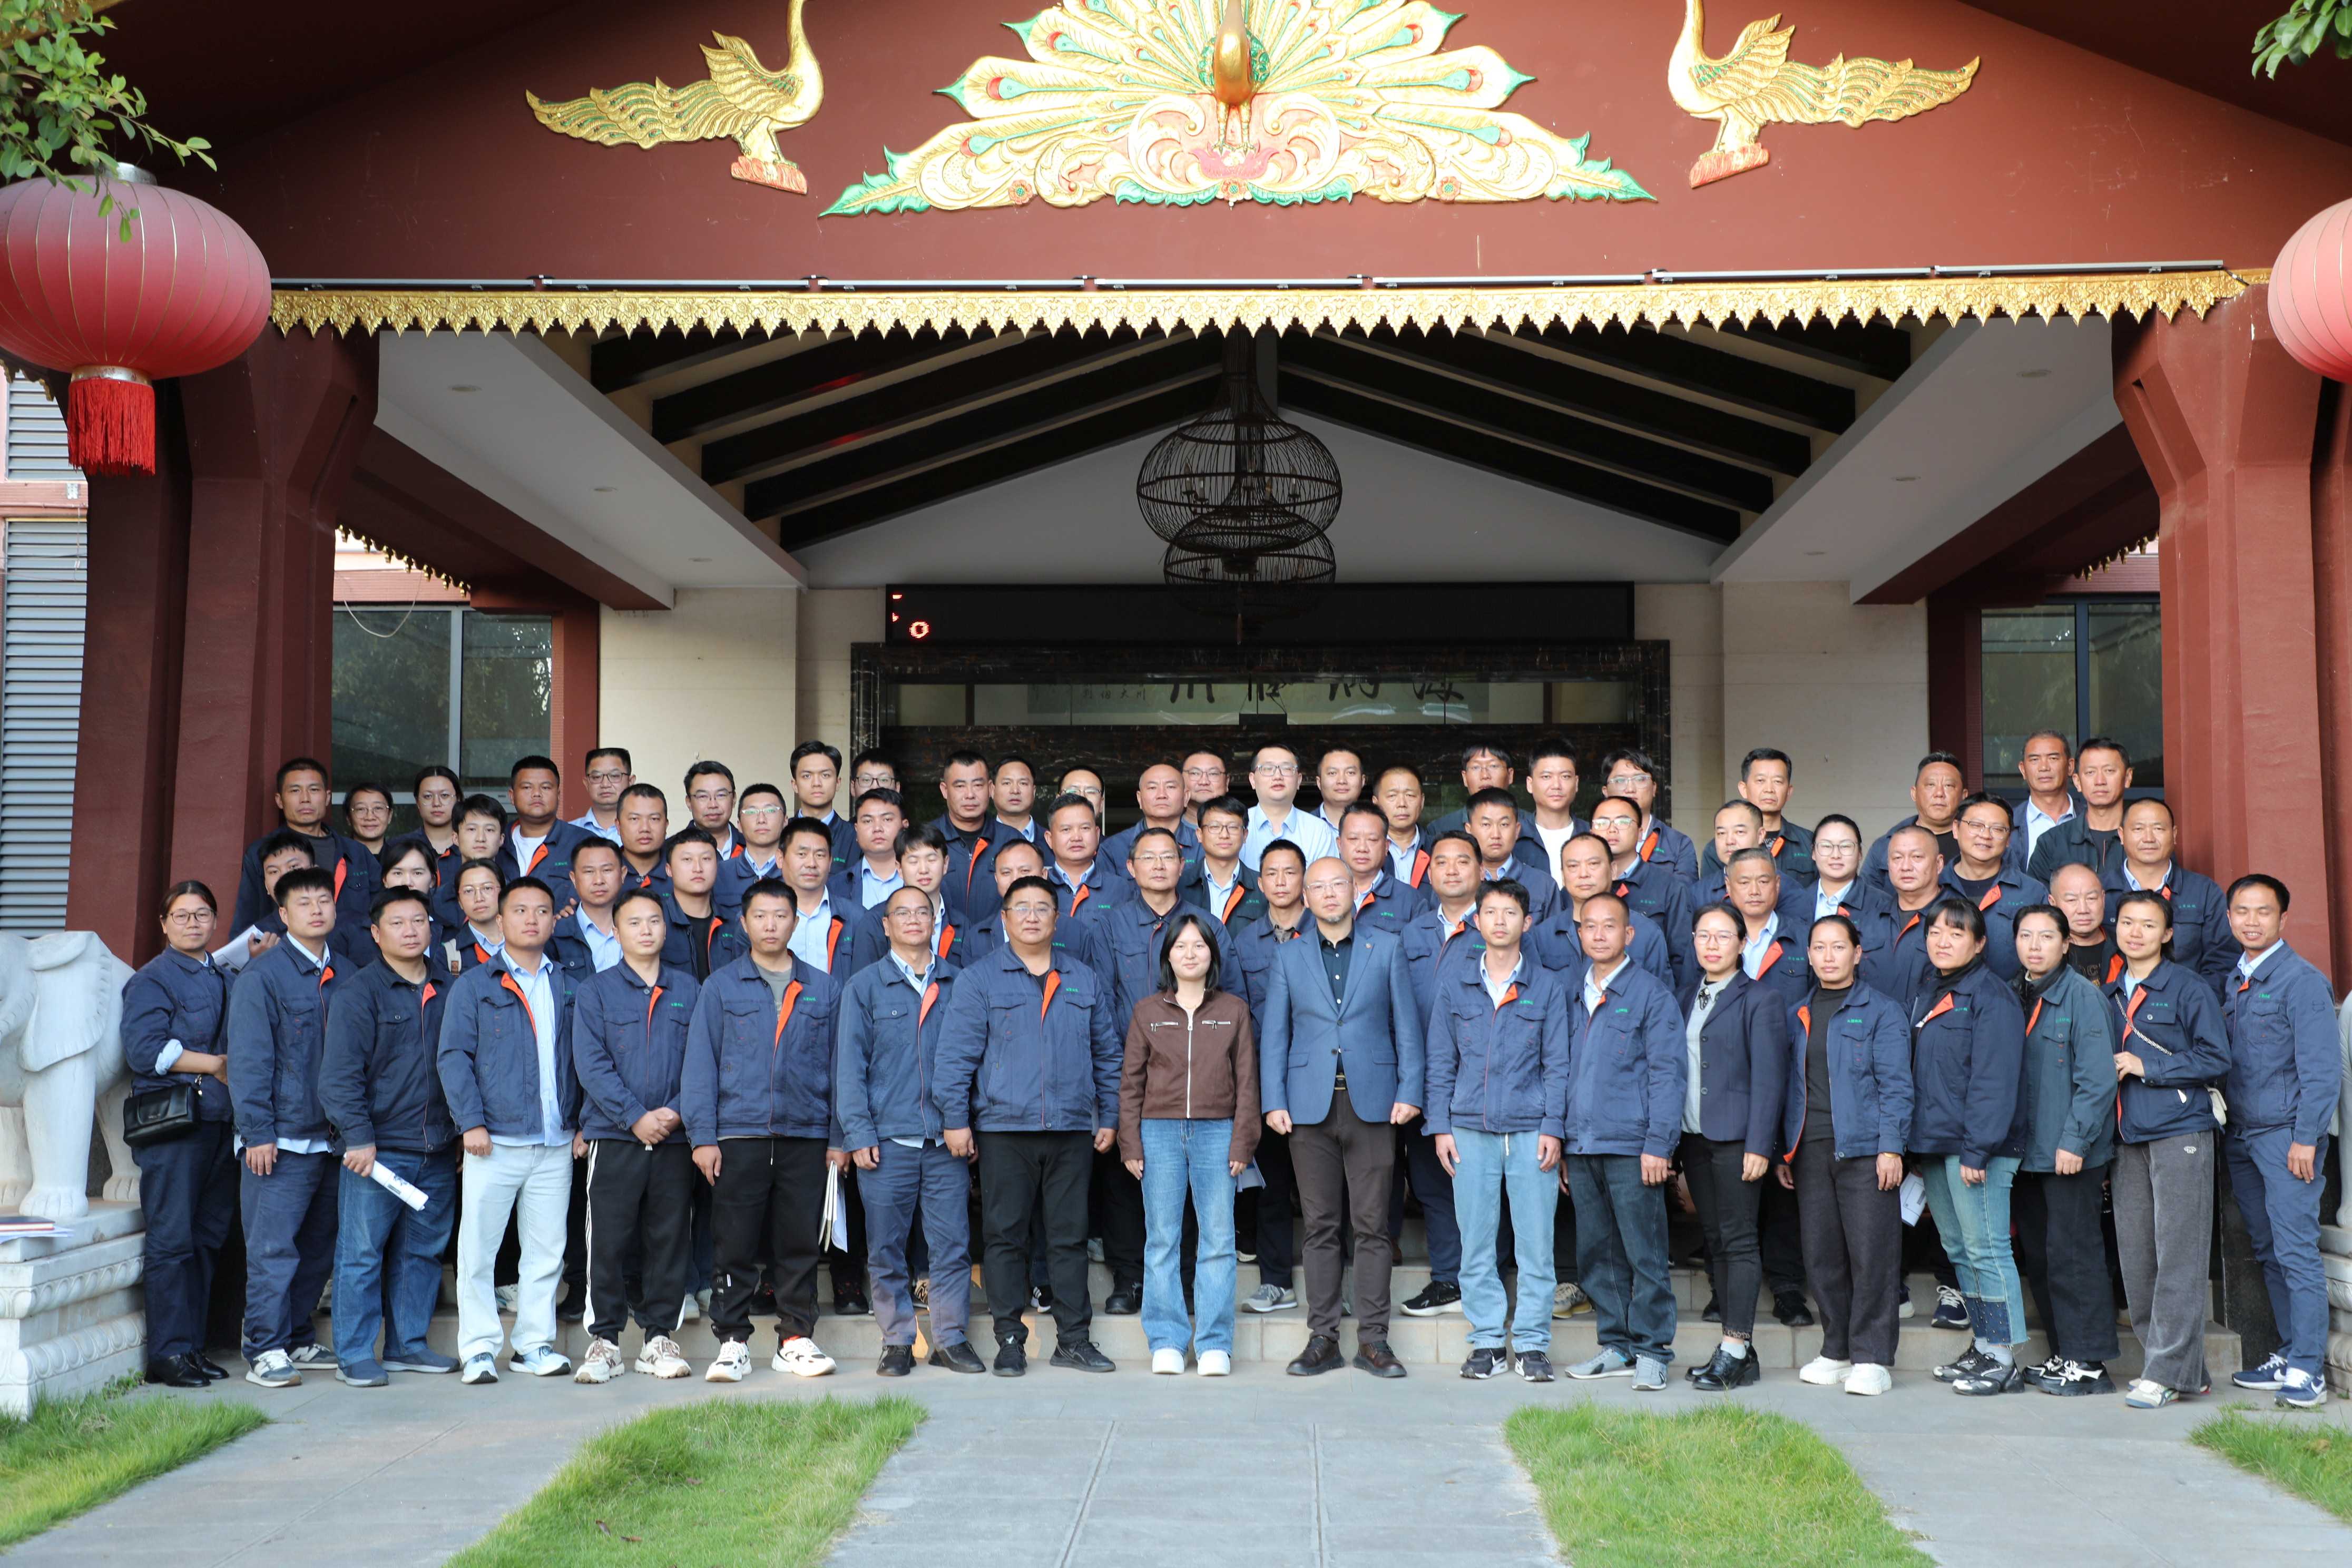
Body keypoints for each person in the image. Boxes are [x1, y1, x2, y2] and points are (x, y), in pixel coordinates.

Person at [934, 875, 1122, 1376]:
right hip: (1003, 1129)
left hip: (1071, 1129)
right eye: (1022, 908)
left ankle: (1073, 1340)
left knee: (1069, 1237)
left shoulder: (1083, 978)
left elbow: (1108, 1055)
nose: (1033, 916)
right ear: (1005, 919)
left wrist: (1110, 1116)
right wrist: (956, 1120)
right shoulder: (980, 979)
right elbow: (955, 1057)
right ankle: (1010, 1340)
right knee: (1005, 1237)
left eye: (1043, 908)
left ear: (1057, 920)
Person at [1260, 857, 1424, 1379]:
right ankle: (1323, 1339)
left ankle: (1374, 1340)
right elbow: (1275, 1034)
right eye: (1319, 886)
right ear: (1305, 897)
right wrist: (1273, 1100)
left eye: (1338, 884)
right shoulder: (1289, 956)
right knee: (1320, 1227)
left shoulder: (1387, 947)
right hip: (1308, 1108)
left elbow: (1407, 1026)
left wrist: (1410, 1090)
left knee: (1373, 1227)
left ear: (1355, 889)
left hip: (1373, 1103)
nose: (1329, 893)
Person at [682, 879, 843, 1381]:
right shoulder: (721, 987)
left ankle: (795, 1340)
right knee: (734, 1243)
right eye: (760, 916)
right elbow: (701, 1065)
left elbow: (840, 1068)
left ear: (795, 922)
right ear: (744, 923)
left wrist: (839, 1138)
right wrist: (703, 1137)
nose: (771, 925)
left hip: (806, 1134)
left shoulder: (825, 987)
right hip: (738, 1134)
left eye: (780, 916)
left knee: (798, 1244)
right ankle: (732, 1342)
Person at [1077, 825, 1232, 1315]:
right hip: (1128, 1070)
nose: (1160, 866)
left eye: (1169, 857)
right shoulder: (1110, 926)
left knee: (1190, 1188)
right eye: (1149, 857)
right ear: (1130, 867)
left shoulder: (1207, 926)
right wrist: (1114, 1065)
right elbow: (1100, 1001)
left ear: (1183, 865)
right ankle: (1130, 1279)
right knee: (1126, 1176)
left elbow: (1231, 1002)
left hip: (1196, 1078)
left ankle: (1185, 1281)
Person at [837, 887, 987, 1377]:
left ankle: (950, 1338)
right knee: (886, 1246)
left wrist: (967, 1121)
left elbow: (977, 1061)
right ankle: (898, 1339)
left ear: (935, 921)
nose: (914, 920)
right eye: (902, 913)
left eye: (923, 912)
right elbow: (849, 1067)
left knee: (952, 1245)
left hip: (946, 1141)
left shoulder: (960, 982)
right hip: (887, 1140)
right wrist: (858, 1132)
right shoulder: (864, 987)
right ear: (886, 925)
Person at [436, 876, 580, 1385]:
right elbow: (454, 1057)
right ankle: (478, 1349)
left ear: (552, 921)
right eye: (520, 911)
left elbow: (582, 1059)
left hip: (556, 1142)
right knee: (478, 1251)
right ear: (500, 921)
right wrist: (470, 1122)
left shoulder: (568, 984)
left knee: (546, 1252)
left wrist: (582, 1123)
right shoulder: (476, 985)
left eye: (541, 911)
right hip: (494, 1142)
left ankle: (534, 1345)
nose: (531, 919)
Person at [1426, 880, 1569, 1383]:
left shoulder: (1547, 986)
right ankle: (1487, 1341)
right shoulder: (1455, 984)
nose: (1501, 921)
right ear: (1478, 921)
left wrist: (1554, 1126)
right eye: (1491, 913)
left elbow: (1559, 1065)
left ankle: (1531, 1344)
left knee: (1536, 1245)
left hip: (1532, 1132)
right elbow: (1441, 1061)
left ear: (1527, 923)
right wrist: (1440, 1126)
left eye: (1511, 913)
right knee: (1476, 1243)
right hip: (1469, 1129)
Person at [318, 886, 460, 1387]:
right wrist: (358, 1136)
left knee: (422, 1253)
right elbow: (339, 1076)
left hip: (437, 1148)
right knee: (361, 1254)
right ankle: (355, 1353)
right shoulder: (359, 993)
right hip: (377, 1152)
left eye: (418, 921)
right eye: (397, 923)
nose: (410, 931)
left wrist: (460, 1132)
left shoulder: (448, 988)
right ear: (376, 934)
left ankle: (408, 1345)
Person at [2218, 874, 2342, 1410]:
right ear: (2229, 918)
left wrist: (2306, 1138)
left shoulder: (2302, 981)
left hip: (2287, 1139)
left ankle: (2309, 1368)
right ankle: (2290, 1352)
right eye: (2242, 911)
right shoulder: (2235, 979)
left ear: (2283, 919)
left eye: (2263, 912)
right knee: (2268, 1248)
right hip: (2243, 1136)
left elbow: (2322, 1070)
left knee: (2295, 1250)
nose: (2252, 921)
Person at [2103, 887, 2229, 1409]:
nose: (2136, 933)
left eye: (2148, 924)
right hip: (2128, 1136)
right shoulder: (2110, 992)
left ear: (2168, 934)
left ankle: (2163, 1372)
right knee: (2138, 1258)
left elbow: (2216, 1057)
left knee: (2179, 1255)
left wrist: (2148, 1067)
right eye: (2127, 923)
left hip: (2181, 1132)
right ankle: (2182, 1369)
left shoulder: (2187, 987)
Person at [568, 886, 700, 1385]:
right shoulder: (596, 991)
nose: (646, 930)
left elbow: (704, 1060)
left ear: (666, 929)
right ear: (616, 932)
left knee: (669, 1237)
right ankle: (604, 1341)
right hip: (615, 1136)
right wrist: (634, 1116)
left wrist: (676, 1111)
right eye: (634, 922)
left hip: (674, 1138)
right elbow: (591, 1064)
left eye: (654, 921)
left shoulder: (689, 989)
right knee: (608, 1239)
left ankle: (658, 1338)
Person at [1120, 912, 1258, 1377]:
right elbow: (1131, 1084)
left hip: (1218, 1131)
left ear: (1212, 956)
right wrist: (1130, 1143)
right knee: (1162, 1238)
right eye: (1181, 946)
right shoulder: (1147, 1012)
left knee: (1218, 1238)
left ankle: (1215, 1343)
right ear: (1168, 957)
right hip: (1158, 1132)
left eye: (1199, 946)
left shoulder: (1234, 1010)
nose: (1190, 954)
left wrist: (1243, 1141)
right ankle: (1166, 1340)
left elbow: (1248, 1083)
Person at [1781, 914, 1912, 1397]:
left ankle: (1872, 1357)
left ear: (1858, 954)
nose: (1829, 956)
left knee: (1872, 1255)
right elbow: (1791, 1088)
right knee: (1822, 1256)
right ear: (1809, 956)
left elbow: (1896, 1085)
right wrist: (1785, 1150)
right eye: (1819, 947)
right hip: (1811, 1149)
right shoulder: (1799, 1013)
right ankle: (1836, 1349)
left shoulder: (1881, 1011)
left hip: (1865, 1150)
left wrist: (1891, 1146)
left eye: (1839, 947)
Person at [1561, 893, 1686, 1390]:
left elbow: (1668, 1074)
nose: (1598, 935)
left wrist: (1660, 1144)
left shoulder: (1651, 995)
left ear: (1628, 934)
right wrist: (1563, 1140)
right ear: (1579, 934)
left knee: (1645, 1253)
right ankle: (1617, 1344)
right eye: (1589, 926)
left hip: (1634, 1146)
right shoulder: (1572, 992)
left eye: (1609, 926)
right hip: (1582, 1145)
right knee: (1598, 1253)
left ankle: (1654, 1350)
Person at [228, 864, 347, 1389]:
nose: (316, 910)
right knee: (273, 1250)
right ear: (282, 913)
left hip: (333, 1140)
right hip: (278, 1140)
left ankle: (297, 1337)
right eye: (304, 903)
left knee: (318, 1249)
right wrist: (257, 1132)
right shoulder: (263, 976)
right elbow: (249, 1059)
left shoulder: (346, 972)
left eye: (324, 900)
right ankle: (264, 1348)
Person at [1909, 898, 2031, 1396]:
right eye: (1935, 932)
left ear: (1980, 944)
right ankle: (1983, 1345)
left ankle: (2003, 1357)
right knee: (1960, 1248)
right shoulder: (1931, 990)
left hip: (1977, 1149)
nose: (1942, 941)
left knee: (1987, 1249)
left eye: (1956, 933)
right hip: (1937, 1144)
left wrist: (1979, 1149)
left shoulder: (1990, 995)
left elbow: (1994, 1081)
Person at [124, 882, 237, 1388]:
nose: (193, 923)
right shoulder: (151, 980)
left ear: (215, 921)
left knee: (207, 1239)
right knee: (172, 1240)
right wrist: (214, 1064)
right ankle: (167, 1355)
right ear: (164, 924)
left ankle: (192, 1348)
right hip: (174, 1127)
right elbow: (144, 1050)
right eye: (182, 915)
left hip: (219, 1122)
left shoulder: (226, 976)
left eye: (202, 914)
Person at [2006, 905, 2121, 1397]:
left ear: (2066, 944)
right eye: (2026, 936)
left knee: (2075, 1256)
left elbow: (2097, 1080)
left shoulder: (2082, 996)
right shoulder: (2014, 993)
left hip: (2070, 1154)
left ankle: (2089, 1363)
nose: (2035, 946)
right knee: (2041, 1256)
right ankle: (2064, 1353)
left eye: (2047, 937)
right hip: (2027, 1153)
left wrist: (2075, 1141)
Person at [1676, 903, 1791, 1389]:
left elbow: (1770, 1079)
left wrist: (1760, 1145)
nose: (1712, 944)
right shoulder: (1687, 995)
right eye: (1704, 935)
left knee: (1739, 1240)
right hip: (1694, 1138)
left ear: (1743, 944)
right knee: (1717, 1240)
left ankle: (1736, 1347)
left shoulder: (1761, 999)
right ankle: (1737, 1348)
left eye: (1724, 936)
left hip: (1739, 1139)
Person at [1392, 831, 1483, 1318]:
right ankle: (1449, 1279)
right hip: (1423, 1080)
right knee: (1432, 1185)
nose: (1451, 870)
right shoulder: (1412, 933)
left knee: (1482, 1186)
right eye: (1442, 862)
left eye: (1462, 861)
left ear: (1481, 871)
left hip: (1481, 1082)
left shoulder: (1496, 926)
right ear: (1428, 874)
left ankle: (1484, 1279)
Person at [1230, 841, 1310, 1317]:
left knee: (1328, 1192)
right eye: (1272, 874)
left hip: (1322, 1078)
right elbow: (1238, 1018)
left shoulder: (1326, 931)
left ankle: (1334, 1285)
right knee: (1272, 1187)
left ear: (1305, 879)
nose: (1281, 882)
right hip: (1265, 1080)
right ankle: (1276, 1282)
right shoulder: (1244, 942)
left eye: (1291, 872)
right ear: (1260, 884)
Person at [232, 757, 379, 937]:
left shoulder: (357, 853)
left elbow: (382, 912)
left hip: (354, 952)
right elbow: (246, 923)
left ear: (328, 797)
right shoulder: (260, 853)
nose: (305, 799)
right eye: (295, 791)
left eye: (314, 790)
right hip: (288, 952)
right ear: (279, 800)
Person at [2102, 799, 2236, 995]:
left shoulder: (2204, 891)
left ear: (2174, 835)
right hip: (2115, 1006)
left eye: (2158, 829)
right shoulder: (2099, 891)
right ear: (2121, 835)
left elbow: (2223, 959)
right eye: (2138, 829)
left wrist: (2195, 1004)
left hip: (2187, 1007)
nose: (2149, 838)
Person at [1531, 832, 1671, 988]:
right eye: (1573, 867)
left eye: (1593, 864)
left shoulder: (1646, 932)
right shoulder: (1542, 936)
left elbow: (1660, 995)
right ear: (1563, 876)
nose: (1583, 874)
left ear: (1613, 870)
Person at [1941, 792, 2049, 982]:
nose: (1985, 835)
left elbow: (2047, 958)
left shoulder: (2032, 893)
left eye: (1998, 829)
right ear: (1956, 829)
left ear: (2008, 840)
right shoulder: (1935, 888)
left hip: (2014, 998)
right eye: (1976, 825)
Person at [1593, 796, 1693, 991]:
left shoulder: (1669, 888)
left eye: (1623, 822)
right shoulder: (1580, 888)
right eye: (1602, 823)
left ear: (1640, 833)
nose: (1612, 829)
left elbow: (1682, 962)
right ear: (1591, 831)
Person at [1858, 825, 1944, 1012]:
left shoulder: (1957, 921)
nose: (1906, 867)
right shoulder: (1869, 920)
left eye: (1917, 857)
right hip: (1871, 1027)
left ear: (1939, 864)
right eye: (1897, 858)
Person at [2027, 738, 2134, 885]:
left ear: (2128, 777)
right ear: (2077, 782)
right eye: (2090, 772)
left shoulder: (2145, 839)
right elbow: (2036, 897)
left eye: (2109, 771)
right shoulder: (2052, 842)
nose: (2100, 781)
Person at [1860, 753, 1965, 897]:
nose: (1939, 793)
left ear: (1964, 796)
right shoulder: (1885, 845)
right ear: (1914, 794)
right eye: (1931, 785)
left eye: (1948, 786)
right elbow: (1866, 901)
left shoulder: (1979, 843)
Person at [1703, 748, 1815, 883]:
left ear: (1789, 792)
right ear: (1744, 789)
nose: (1769, 789)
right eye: (1761, 780)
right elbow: (1709, 892)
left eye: (1778, 781)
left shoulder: (1809, 842)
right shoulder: (1720, 848)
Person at [497, 755, 592, 910]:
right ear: (512, 797)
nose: (537, 794)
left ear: (559, 795)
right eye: (527, 787)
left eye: (546, 787)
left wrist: (574, 916)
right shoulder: (496, 842)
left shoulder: (585, 843)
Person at [932, 750, 1014, 923]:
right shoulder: (926, 840)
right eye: (960, 786)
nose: (970, 795)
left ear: (990, 788)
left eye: (978, 785)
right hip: (941, 938)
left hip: (998, 938)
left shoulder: (1012, 841)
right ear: (945, 790)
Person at [1598, 749, 1698, 884]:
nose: (1630, 789)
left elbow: (1684, 893)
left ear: (1654, 788)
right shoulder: (1591, 841)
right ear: (1605, 791)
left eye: (1640, 779)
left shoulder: (1678, 844)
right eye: (1620, 780)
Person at [1241, 743, 1336, 872]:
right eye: (1268, 769)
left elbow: (1327, 880)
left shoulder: (1318, 831)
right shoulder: (1236, 827)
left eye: (1287, 768)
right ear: (1252, 780)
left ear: (1299, 780)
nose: (1278, 776)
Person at [1466, 788, 1559, 920]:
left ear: (1517, 830)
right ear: (1469, 831)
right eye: (1486, 825)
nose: (1495, 835)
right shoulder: (1457, 882)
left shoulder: (1544, 885)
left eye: (1504, 825)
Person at [1338, 801, 1429, 930]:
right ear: (1339, 845)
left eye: (1372, 840)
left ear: (1386, 847)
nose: (1362, 848)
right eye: (1353, 839)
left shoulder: (1411, 900)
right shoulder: (1323, 894)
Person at [1043, 791, 1133, 916]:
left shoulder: (1120, 889)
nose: (1076, 837)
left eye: (1085, 828)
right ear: (1050, 839)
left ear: (1097, 834)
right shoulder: (1038, 887)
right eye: (1066, 829)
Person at [1106, 761, 1202, 874]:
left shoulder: (1204, 845)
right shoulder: (1112, 848)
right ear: (1139, 799)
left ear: (1186, 797)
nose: (1162, 795)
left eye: (1171, 787)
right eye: (1152, 788)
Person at [962, 838, 1046, 967]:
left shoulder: (1072, 930)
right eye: (1006, 873)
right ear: (996, 878)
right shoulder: (976, 937)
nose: (1015, 879)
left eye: (1025, 871)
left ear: (1044, 875)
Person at [714, 782, 792, 914]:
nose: (761, 820)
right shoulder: (719, 873)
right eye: (751, 812)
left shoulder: (797, 872)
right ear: (739, 825)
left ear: (785, 821)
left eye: (770, 811)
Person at [552, 837, 626, 973]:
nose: (599, 880)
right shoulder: (556, 933)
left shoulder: (642, 927)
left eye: (607, 870)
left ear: (623, 874)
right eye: (589, 872)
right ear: (574, 879)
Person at [1184, 795, 1260, 927]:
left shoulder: (1263, 887)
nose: (1224, 835)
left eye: (1233, 827)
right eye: (1215, 827)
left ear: (1245, 835)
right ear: (1200, 835)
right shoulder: (1180, 885)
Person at [2012, 730, 2082, 863]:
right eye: (2035, 760)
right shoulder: (2008, 824)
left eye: (2053, 759)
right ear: (2023, 770)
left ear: (2070, 766)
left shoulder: (2092, 820)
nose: (2044, 767)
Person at [1525, 739, 1589, 880]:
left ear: (1576, 783)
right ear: (1530, 784)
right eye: (1546, 777)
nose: (1556, 785)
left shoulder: (1593, 834)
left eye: (1565, 777)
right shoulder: (1515, 837)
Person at [834, 788, 907, 909]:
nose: (877, 828)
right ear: (856, 830)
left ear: (904, 826)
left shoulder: (926, 880)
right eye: (868, 821)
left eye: (887, 819)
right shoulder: (836, 886)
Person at [2051, 863, 2123, 984]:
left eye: (2091, 898)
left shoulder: (2124, 945)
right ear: (2053, 903)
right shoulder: (2046, 953)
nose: (2083, 910)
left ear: (2103, 899)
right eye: (2072, 900)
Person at [790, 742, 855, 865]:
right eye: (807, 776)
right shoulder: (781, 833)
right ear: (795, 785)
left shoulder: (855, 837)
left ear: (838, 783)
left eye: (825, 775)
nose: (816, 783)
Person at [1806, 816, 1877, 922]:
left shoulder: (1883, 906)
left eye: (1845, 846)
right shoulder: (1795, 904)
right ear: (1813, 853)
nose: (1836, 855)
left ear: (1860, 853)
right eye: (1826, 846)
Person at [1375, 765, 1435, 888]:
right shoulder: (1366, 851)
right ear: (1376, 803)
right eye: (1392, 796)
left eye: (1410, 795)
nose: (1402, 804)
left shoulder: (1437, 850)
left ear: (1422, 801)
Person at [447, 859, 506, 974]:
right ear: (460, 901)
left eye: (487, 888)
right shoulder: (449, 954)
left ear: (503, 893)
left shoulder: (530, 940)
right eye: (469, 891)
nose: (479, 898)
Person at [615, 783, 673, 896]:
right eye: (634, 819)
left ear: (666, 826)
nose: (645, 828)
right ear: (618, 826)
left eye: (654, 819)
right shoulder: (604, 874)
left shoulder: (682, 873)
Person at [570, 746, 634, 842]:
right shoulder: (568, 833)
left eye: (614, 776)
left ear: (630, 781)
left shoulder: (644, 832)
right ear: (586, 783)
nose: (605, 784)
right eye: (597, 777)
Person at [684, 761, 743, 860]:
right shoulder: (671, 851)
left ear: (734, 799)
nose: (713, 805)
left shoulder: (752, 846)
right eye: (703, 796)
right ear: (689, 802)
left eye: (721, 795)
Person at [415, 765, 462, 870]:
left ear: (458, 799)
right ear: (418, 802)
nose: (436, 803)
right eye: (428, 796)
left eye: (444, 795)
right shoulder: (400, 846)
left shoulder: (474, 846)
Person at [991, 754, 1041, 844]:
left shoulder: (1052, 842)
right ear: (992, 790)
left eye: (1023, 783)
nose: (1015, 791)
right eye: (1007, 783)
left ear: (1034, 792)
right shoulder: (978, 841)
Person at [341, 784, 393, 859]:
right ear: (348, 818)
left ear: (390, 816)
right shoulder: (336, 858)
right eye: (361, 809)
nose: (370, 817)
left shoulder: (403, 859)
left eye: (378, 808)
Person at [1179, 750, 1229, 826]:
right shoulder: (1169, 829)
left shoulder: (1246, 827)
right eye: (1195, 773)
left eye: (1213, 774)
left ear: (1227, 782)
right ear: (1181, 780)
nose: (1204, 782)